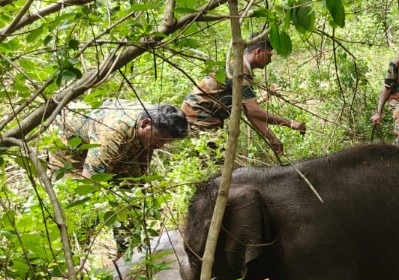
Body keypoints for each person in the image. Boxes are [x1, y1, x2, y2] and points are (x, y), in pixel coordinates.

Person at [181, 40, 306, 156]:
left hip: (202, 115)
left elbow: (250, 112)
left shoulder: (242, 70)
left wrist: (272, 137)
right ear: (258, 52)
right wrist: (289, 123)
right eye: (268, 55)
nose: (269, 60)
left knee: (217, 157)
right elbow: (254, 111)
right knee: (215, 159)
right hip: (199, 115)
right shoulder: (239, 71)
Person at [54, 101, 189, 179]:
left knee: (130, 183)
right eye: (159, 139)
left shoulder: (154, 118)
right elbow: (89, 181)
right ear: (145, 124)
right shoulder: (112, 134)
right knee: (76, 191)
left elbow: (140, 170)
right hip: (70, 148)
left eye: (166, 142)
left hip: (112, 138)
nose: (161, 146)